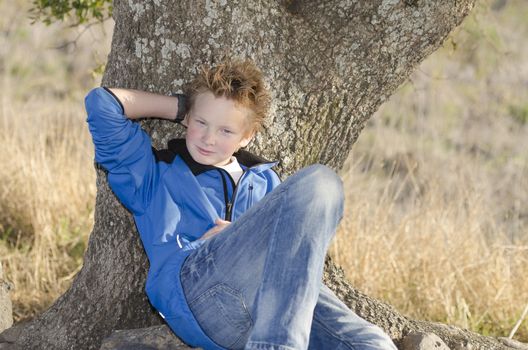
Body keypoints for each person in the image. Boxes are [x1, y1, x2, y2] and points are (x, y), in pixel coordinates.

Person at [85, 59, 396, 350]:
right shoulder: (154, 175)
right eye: (201, 123)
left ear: (247, 136)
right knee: (318, 181)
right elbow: (103, 104)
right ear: (187, 120)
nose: (208, 138)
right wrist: (182, 106)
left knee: (373, 343)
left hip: (270, 308)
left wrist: (241, 234)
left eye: (226, 130)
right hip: (199, 291)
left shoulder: (267, 184)